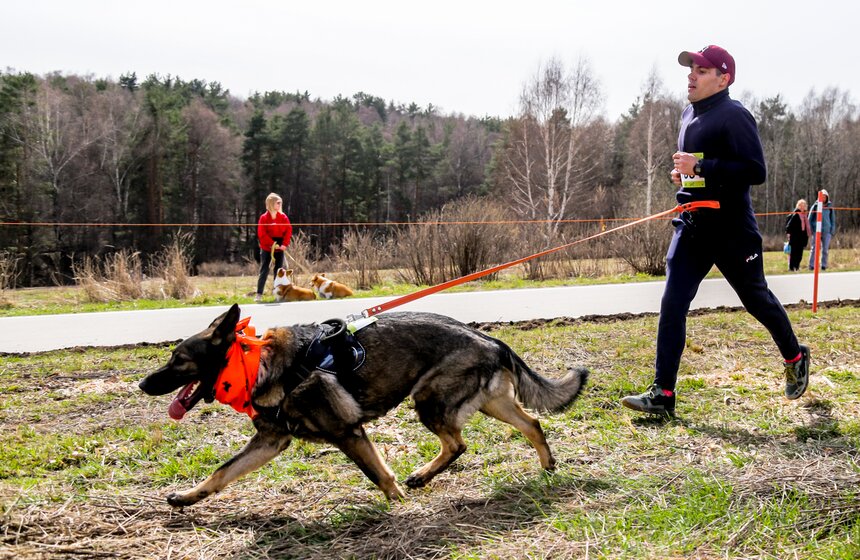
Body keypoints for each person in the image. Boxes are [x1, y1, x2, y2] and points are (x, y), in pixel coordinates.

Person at [621, 45, 810, 416]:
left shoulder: (735, 115)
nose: (691, 75)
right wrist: (683, 176)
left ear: (723, 79)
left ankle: (795, 356)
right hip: (692, 226)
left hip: (731, 230)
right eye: (691, 68)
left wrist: (700, 166)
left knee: (756, 299)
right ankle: (663, 394)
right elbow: (699, 170)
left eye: (702, 70)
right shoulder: (688, 113)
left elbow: (755, 171)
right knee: (673, 302)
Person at [255, 193, 292, 302]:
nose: (280, 205)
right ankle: (259, 294)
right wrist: (272, 244)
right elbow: (261, 234)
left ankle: (278, 294)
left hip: (280, 245)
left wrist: (284, 244)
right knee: (264, 270)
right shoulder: (263, 218)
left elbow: (288, 230)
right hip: (267, 246)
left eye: (280, 203)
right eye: (278, 203)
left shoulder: (283, 217)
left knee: (279, 270)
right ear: (271, 204)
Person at [807, 189, 836, 270]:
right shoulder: (815, 206)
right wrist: (811, 229)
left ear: (827, 197)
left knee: (825, 249)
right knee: (814, 248)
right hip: (816, 231)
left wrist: (832, 230)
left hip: (827, 231)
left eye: (824, 197)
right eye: (822, 196)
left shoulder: (830, 206)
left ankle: (824, 265)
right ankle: (811, 265)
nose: (823, 198)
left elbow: (833, 219)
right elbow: (809, 219)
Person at [785, 199, 809, 271]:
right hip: (795, 237)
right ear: (798, 206)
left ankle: (797, 267)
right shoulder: (795, 214)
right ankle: (792, 268)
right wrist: (788, 234)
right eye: (800, 205)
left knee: (800, 254)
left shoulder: (805, 215)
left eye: (804, 206)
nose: (802, 207)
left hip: (802, 236)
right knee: (794, 253)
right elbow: (789, 226)